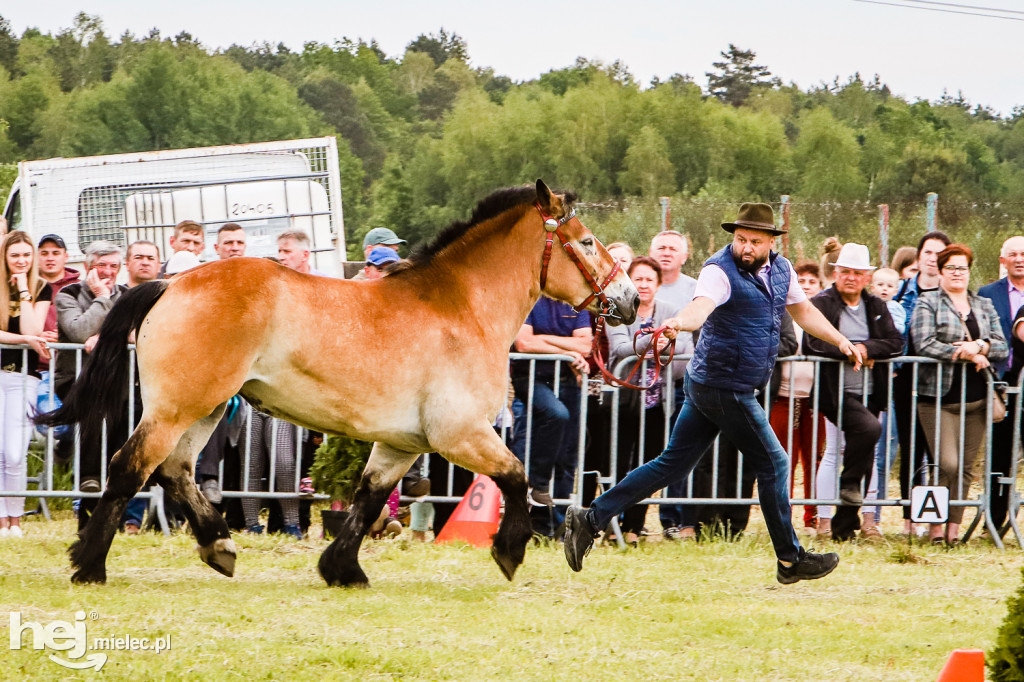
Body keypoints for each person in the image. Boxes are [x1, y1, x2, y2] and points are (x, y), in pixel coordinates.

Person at [565, 202, 863, 583]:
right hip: (725, 386)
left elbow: (802, 312)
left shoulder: (782, 270)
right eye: (740, 239)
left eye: (755, 241)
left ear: (771, 241)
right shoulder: (718, 270)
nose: (746, 247)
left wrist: (840, 340)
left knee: (672, 463)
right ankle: (790, 559)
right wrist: (677, 323)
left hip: (715, 384)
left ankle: (589, 518)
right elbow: (701, 308)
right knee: (775, 464)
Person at [804, 244, 903, 542]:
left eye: (857, 273)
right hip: (834, 392)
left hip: (870, 391)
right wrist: (846, 349)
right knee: (861, 435)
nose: (850, 277)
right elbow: (813, 343)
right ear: (835, 273)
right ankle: (840, 499)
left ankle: (845, 526)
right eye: (845, 271)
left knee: (865, 448)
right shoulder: (821, 303)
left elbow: (895, 342)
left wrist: (865, 348)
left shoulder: (876, 306)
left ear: (867, 277)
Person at [911, 244, 1007, 545]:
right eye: (950, 267)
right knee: (947, 464)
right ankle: (934, 525)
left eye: (962, 267)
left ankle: (952, 531)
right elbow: (923, 343)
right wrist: (964, 353)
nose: (957, 273)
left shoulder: (983, 305)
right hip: (938, 399)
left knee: (965, 468)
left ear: (970, 270)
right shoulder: (927, 302)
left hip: (978, 400)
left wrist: (978, 347)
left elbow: (1001, 347)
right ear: (940, 271)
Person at [53, 241, 144, 532]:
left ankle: (112, 518)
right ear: (87, 267)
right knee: (96, 417)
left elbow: (138, 332)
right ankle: (88, 507)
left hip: (120, 381)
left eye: (113, 266)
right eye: (100, 265)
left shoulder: (130, 295)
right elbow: (79, 331)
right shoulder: (68, 294)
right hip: (77, 381)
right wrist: (102, 298)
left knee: (122, 443)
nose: (107, 272)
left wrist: (105, 338)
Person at [604, 256, 690, 545]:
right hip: (623, 404)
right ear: (629, 281)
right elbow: (618, 349)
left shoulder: (671, 311)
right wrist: (653, 341)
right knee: (618, 465)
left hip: (657, 404)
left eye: (648, 279)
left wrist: (666, 349)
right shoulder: (617, 310)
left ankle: (633, 528)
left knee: (647, 468)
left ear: (658, 283)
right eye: (637, 279)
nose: (643, 284)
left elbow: (683, 355)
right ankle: (609, 524)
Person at [511, 297, 591, 537]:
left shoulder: (579, 304)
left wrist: (543, 341)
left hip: (567, 381)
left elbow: (586, 346)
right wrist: (568, 350)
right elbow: (524, 343)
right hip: (532, 378)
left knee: (567, 456)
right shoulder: (531, 300)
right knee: (556, 415)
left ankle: (556, 525)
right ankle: (538, 485)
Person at [893, 230, 951, 535]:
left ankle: (936, 524)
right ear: (919, 256)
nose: (932, 258)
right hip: (905, 378)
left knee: (939, 451)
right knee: (910, 449)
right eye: (927, 252)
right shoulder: (901, 292)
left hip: (944, 382)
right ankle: (909, 519)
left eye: (939, 253)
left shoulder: (953, 295)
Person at [0, 231, 52, 538]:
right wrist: (24, 340)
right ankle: (1, 520)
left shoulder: (41, 288)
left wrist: (23, 288)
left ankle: (16, 519)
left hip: (25, 378)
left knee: (17, 453)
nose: (21, 261)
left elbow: (35, 330)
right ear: (4, 257)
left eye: (26, 255)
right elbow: (26, 337)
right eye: (14, 255)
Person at [769, 260, 826, 535]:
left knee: (815, 458)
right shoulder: (780, 312)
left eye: (811, 282)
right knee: (784, 459)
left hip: (814, 399)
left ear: (820, 286)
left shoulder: (822, 316)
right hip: (783, 395)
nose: (805, 286)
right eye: (800, 281)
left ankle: (811, 516)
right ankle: (784, 517)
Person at [978, 235, 1024, 537]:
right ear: (1002, 260)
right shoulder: (986, 293)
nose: (1019, 259)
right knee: (999, 453)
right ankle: (993, 521)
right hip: (1001, 381)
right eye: (1013, 254)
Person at [36, 234, 80, 357]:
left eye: (56, 253)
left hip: (70, 366)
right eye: (44, 253)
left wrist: (63, 338)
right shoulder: (27, 286)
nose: (50, 258)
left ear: (66, 257)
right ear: (37, 257)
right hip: (34, 367)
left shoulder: (79, 288)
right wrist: (33, 335)